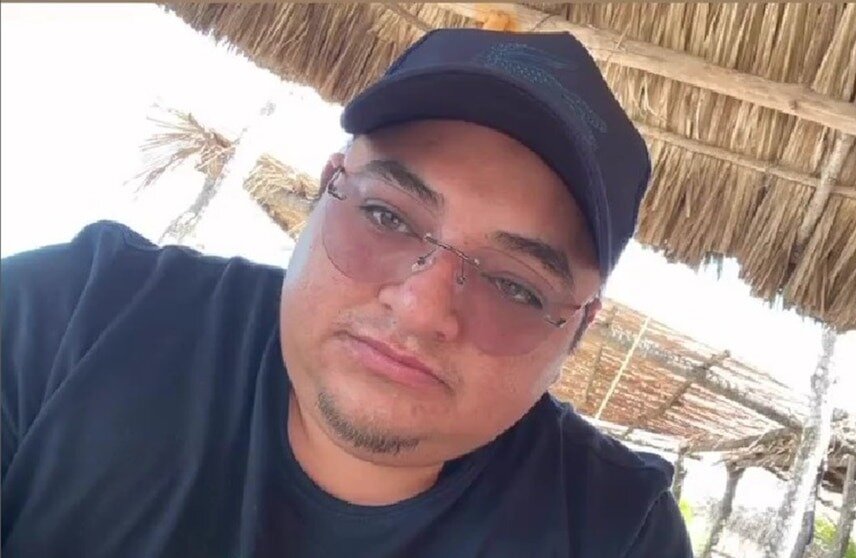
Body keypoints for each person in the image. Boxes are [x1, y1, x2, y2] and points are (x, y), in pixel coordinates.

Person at [1, 28, 692, 557]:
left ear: (577, 331)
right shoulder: (81, 316)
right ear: (325, 189)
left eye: (514, 286)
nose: (421, 307)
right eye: (388, 217)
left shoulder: (611, 532)